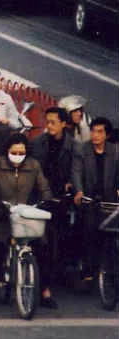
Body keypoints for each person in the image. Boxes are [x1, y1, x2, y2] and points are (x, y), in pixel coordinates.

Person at [0, 135, 54, 310]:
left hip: (25, 214)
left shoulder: (34, 165)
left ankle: (45, 292)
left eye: (22, 152)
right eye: (14, 152)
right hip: (2, 212)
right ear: (7, 151)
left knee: (42, 248)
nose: (18, 155)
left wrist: (46, 200)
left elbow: (44, 187)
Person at [71, 117, 118, 284]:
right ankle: (88, 270)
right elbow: (76, 173)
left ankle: (111, 270)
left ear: (106, 134)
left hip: (110, 200)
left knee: (112, 236)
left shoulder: (115, 151)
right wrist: (79, 191)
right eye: (93, 131)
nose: (95, 135)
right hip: (89, 199)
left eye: (99, 132)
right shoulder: (82, 150)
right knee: (89, 231)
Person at [30, 107, 76, 197]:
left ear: (63, 124)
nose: (49, 126)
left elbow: (76, 170)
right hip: (41, 189)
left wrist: (71, 182)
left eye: (53, 122)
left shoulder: (73, 145)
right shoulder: (37, 142)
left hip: (64, 190)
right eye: (47, 122)